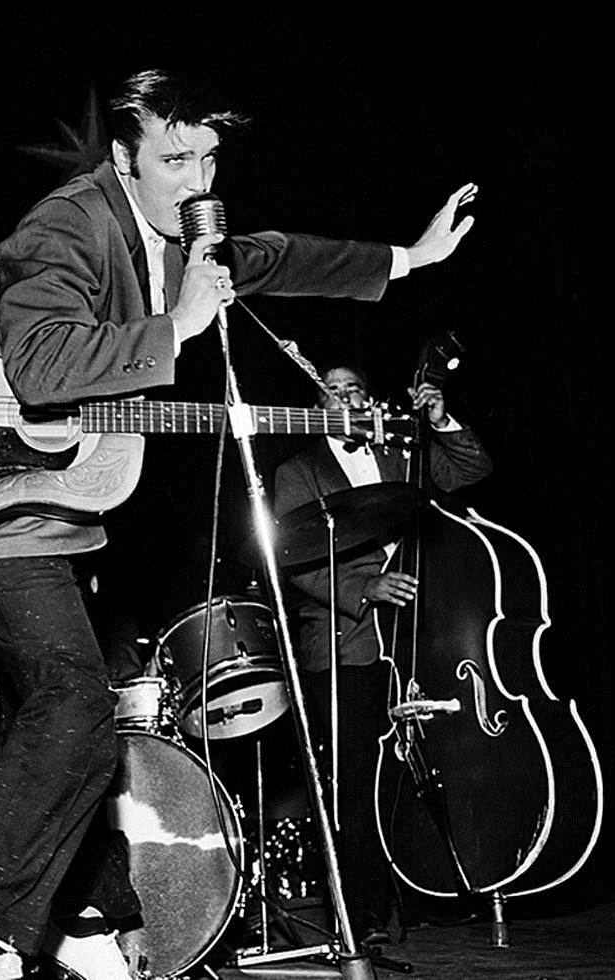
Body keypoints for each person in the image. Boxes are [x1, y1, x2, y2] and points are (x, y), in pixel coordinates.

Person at [0, 68, 479, 980]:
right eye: (174, 157)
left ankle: (84, 914)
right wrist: (179, 325)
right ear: (123, 155)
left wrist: (408, 260)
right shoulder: (68, 221)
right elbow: (33, 368)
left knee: (97, 717)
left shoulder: (192, 235)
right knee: (72, 700)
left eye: (210, 156)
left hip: (67, 515)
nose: (198, 180)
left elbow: (283, 256)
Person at [273, 364, 493, 948]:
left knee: (419, 765)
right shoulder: (298, 471)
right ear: (316, 407)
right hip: (347, 641)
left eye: (356, 389)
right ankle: (363, 913)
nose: (347, 398)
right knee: (355, 780)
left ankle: (432, 889)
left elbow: (472, 469)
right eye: (333, 392)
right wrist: (360, 591)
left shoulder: (402, 451)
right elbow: (290, 558)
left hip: (421, 637)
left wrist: (439, 421)